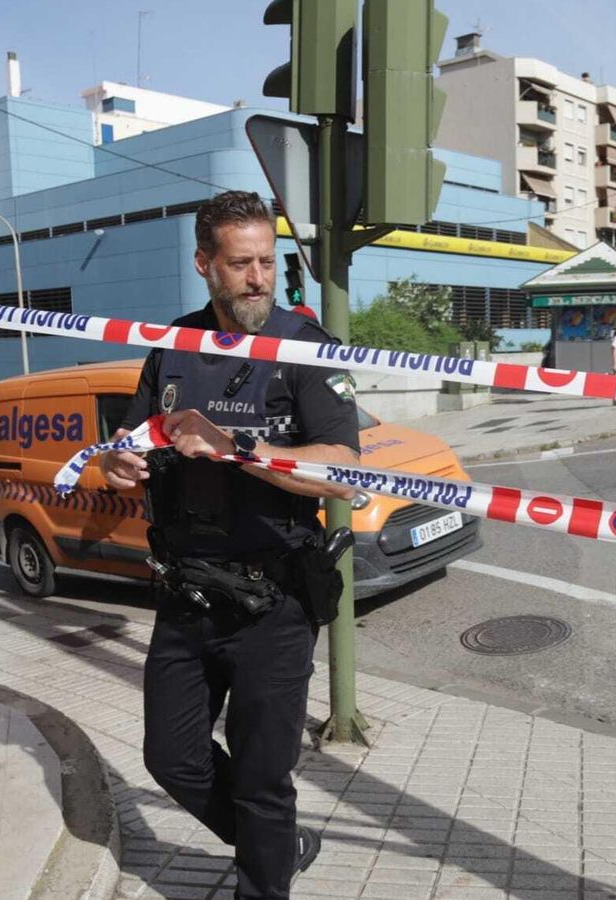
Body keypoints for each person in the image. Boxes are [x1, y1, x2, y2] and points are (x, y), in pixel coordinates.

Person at [101, 191, 361, 900]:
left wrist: (237, 448)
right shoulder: (175, 344)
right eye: (240, 263)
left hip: (273, 601)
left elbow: (342, 465)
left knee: (260, 776)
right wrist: (117, 462)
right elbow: (134, 440)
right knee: (172, 757)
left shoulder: (304, 346)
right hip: (187, 592)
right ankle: (279, 847)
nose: (258, 278)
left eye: (267, 263)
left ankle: (265, 875)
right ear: (204, 265)